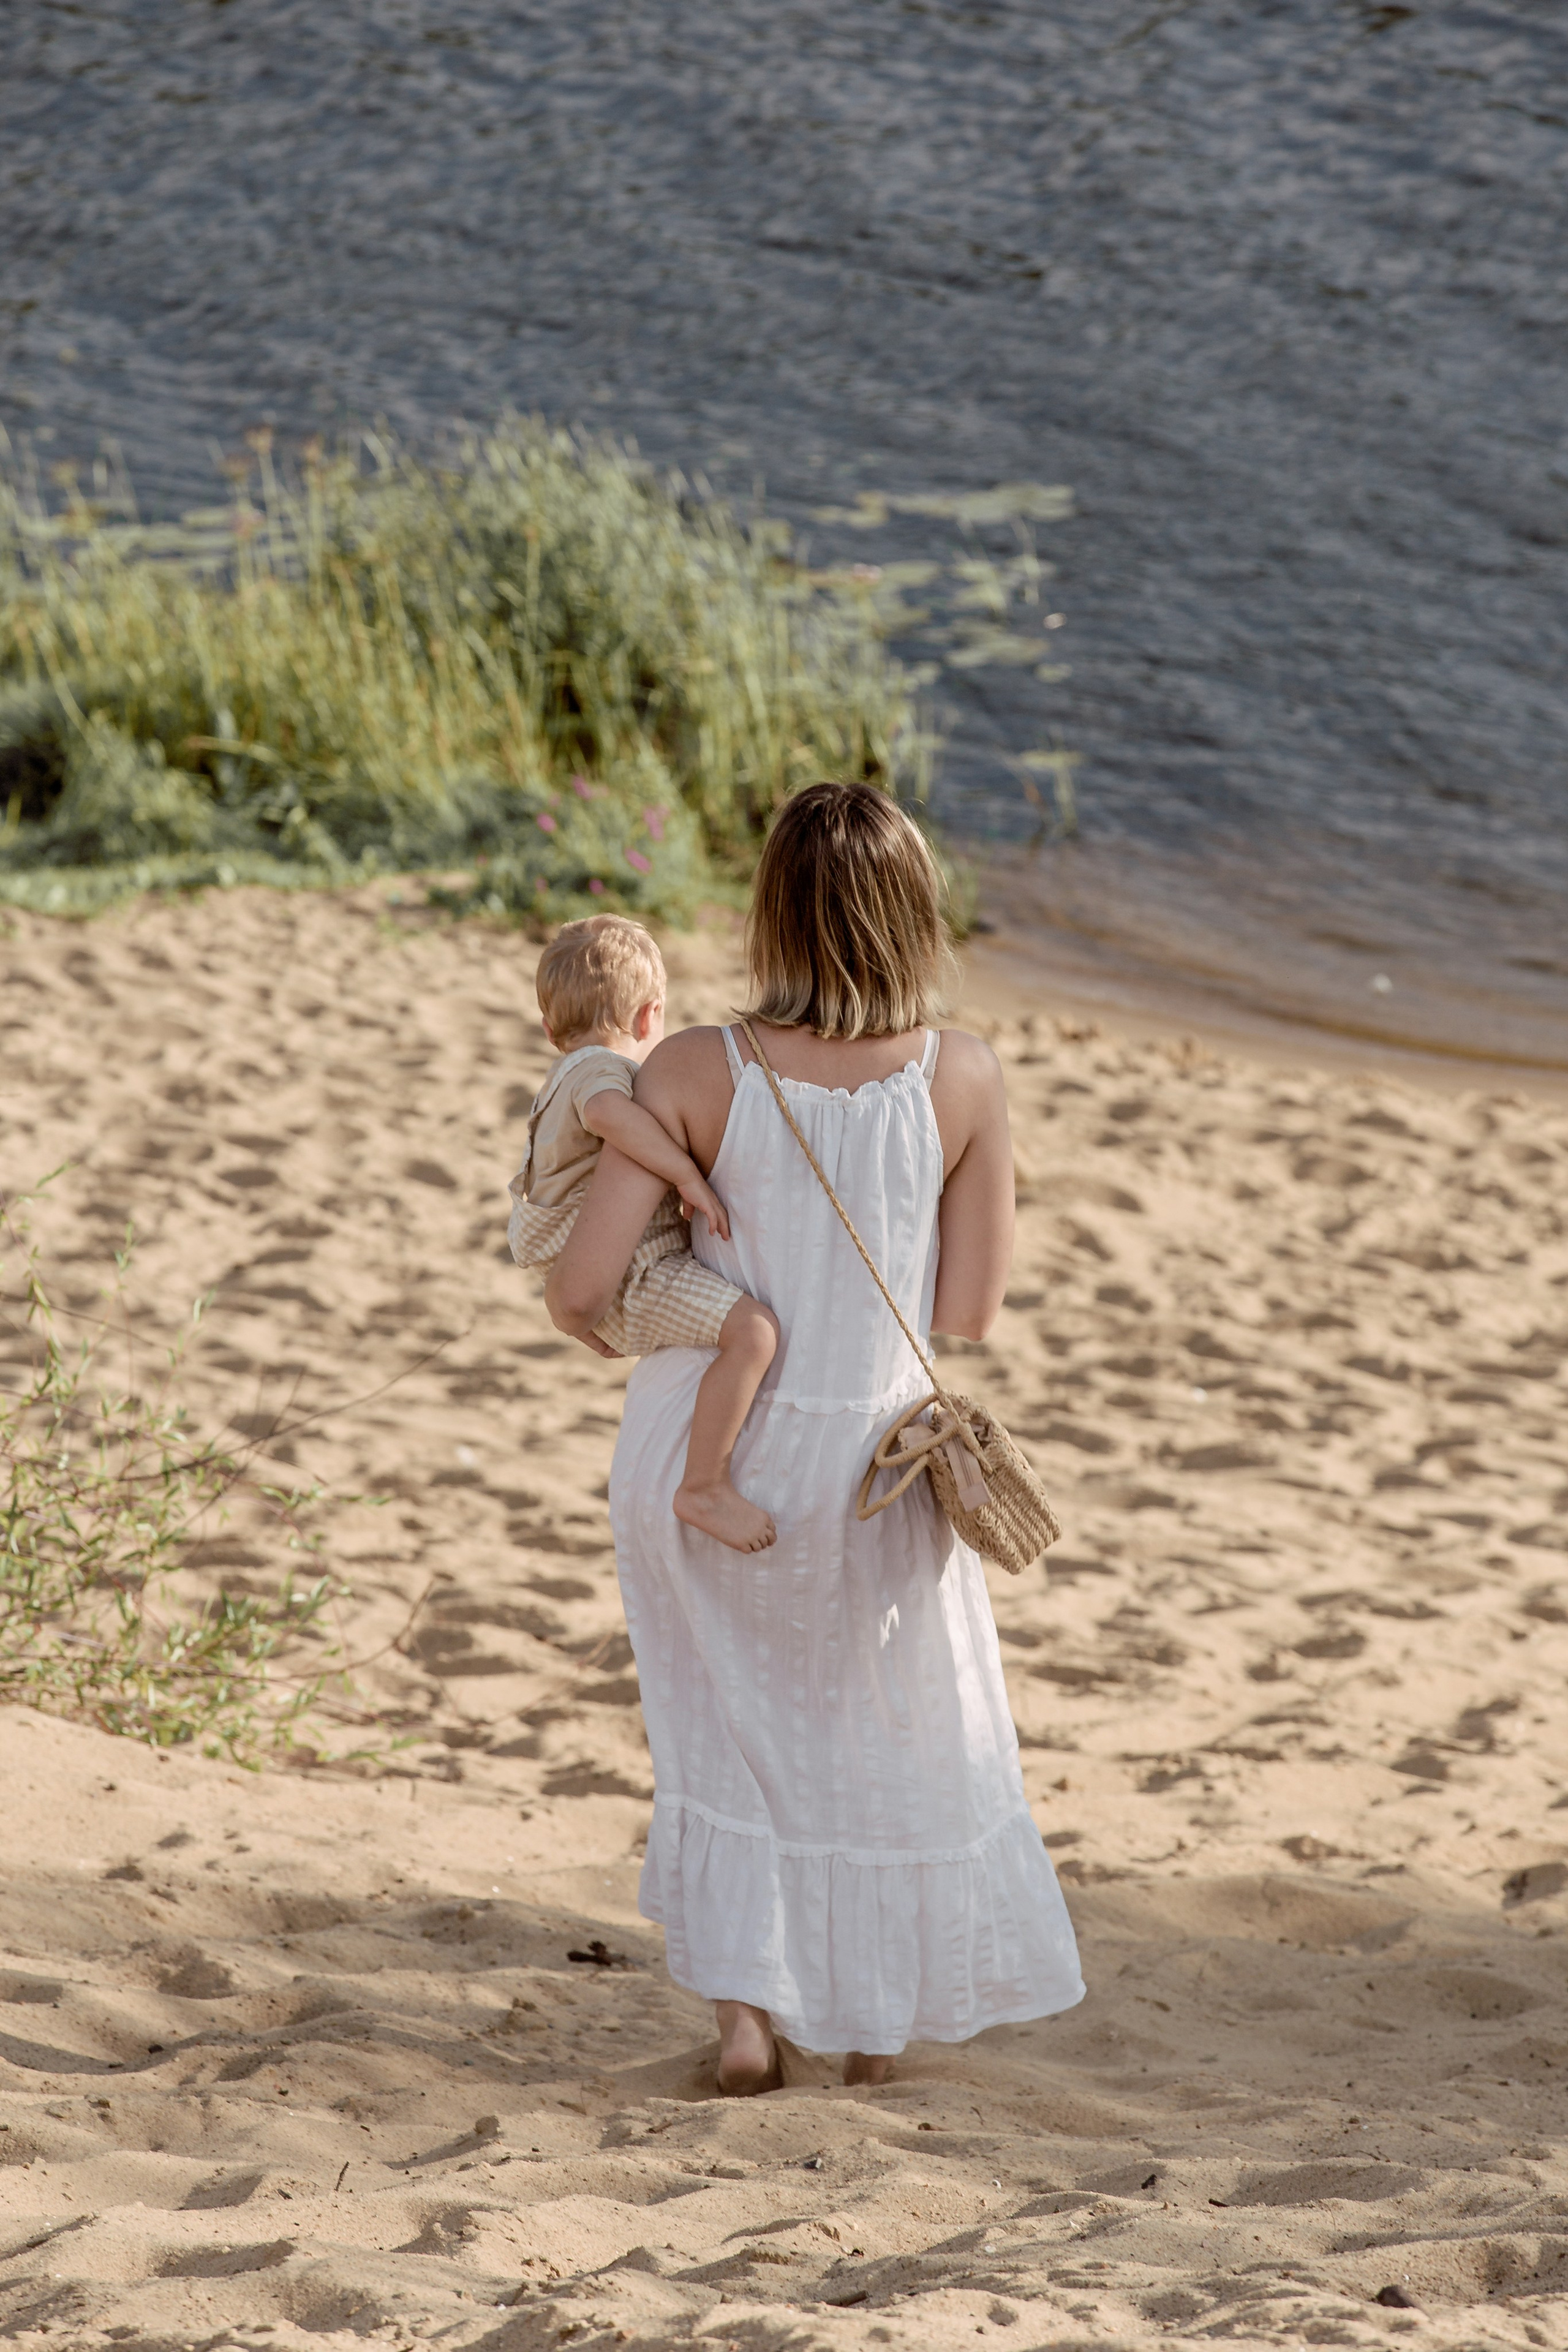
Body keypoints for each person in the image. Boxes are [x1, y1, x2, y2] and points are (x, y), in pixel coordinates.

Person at [546, 784, 1084, 2093]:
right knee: (877, 1738)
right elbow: (965, 1308)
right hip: (873, 1467)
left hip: (701, 1462)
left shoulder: (688, 1070)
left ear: (770, 910)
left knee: (719, 1733)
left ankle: (744, 2027)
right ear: (915, 913)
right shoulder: (960, 1074)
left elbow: (578, 1295)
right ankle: (871, 2034)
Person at [509, 914, 780, 1553]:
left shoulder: (560, 1074)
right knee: (754, 1333)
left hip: (588, 1270)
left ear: (549, 1029)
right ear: (648, 1018)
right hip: (632, 1276)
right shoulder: (600, 1070)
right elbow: (609, 1114)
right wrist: (684, 1173)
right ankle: (704, 1486)